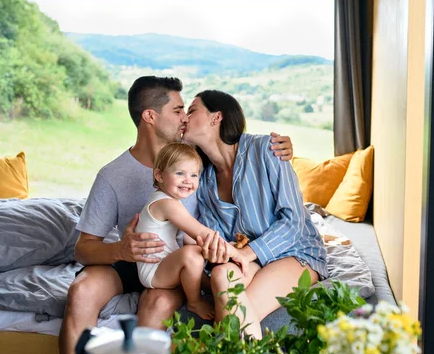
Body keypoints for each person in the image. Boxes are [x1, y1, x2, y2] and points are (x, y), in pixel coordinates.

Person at [59, 76, 293, 354]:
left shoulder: (198, 162)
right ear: (150, 116)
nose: (185, 118)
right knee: (81, 289)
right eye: (178, 110)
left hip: (181, 264)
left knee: (156, 303)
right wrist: (120, 250)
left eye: (188, 110)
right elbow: (84, 249)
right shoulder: (112, 175)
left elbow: (234, 152)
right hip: (133, 259)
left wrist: (280, 148)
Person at [181, 89, 328, 339]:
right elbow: (218, 239)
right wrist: (219, 251)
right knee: (220, 273)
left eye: (192, 110)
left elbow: (294, 223)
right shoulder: (203, 178)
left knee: (232, 325)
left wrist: (244, 253)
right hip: (248, 261)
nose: (185, 117)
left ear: (217, 118)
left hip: (295, 252)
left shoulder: (266, 149)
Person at [135, 142, 249, 320]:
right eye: (180, 173)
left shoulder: (172, 202)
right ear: (159, 175)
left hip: (164, 265)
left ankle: (221, 292)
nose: (188, 180)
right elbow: (202, 234)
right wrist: (237, 254)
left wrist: (224, 247)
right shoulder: (165, 204)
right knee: (193, 255)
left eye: (194, 175)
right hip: (154, 271)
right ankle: (194, 302)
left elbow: (189, 238)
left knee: (201, 260)